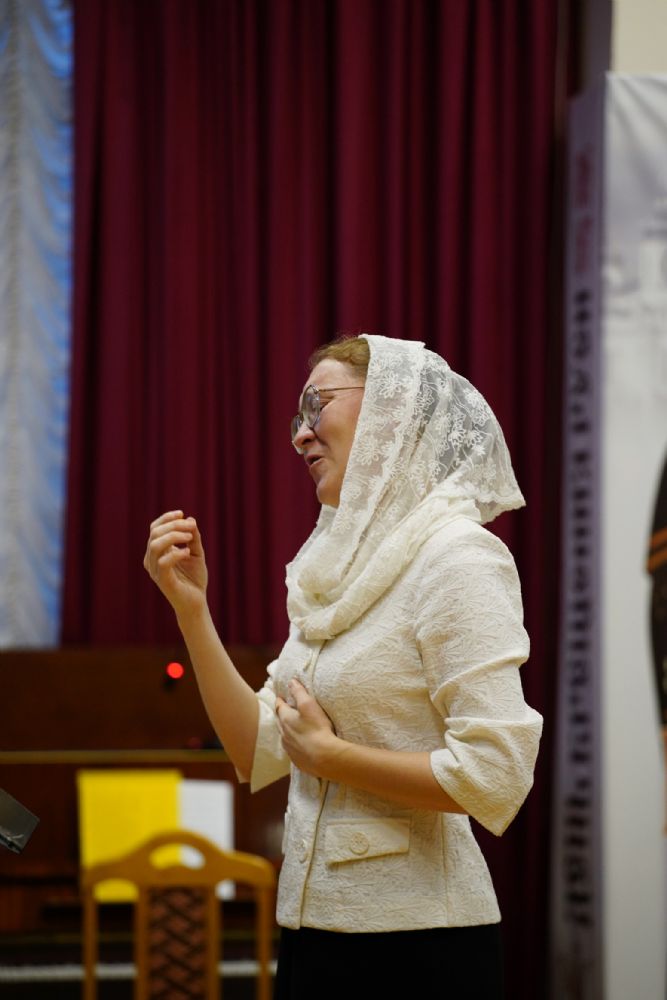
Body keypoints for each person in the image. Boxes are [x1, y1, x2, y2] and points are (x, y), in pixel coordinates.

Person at [144, 334, 543, 999]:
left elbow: (495, 775)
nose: (300, 435)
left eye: (317, 406)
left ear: (390, 408)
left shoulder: (458, 555)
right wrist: (192, 611)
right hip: (313, 931)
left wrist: (333, 758)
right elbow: (255, 749)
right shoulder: (336, 565)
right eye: (297, 417)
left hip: (420, 946)